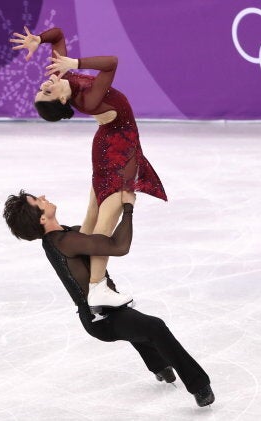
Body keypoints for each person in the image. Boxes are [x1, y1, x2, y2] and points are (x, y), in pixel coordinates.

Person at [2, 190, 215, 407]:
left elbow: (92, 222)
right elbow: (118, 246)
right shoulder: (64, 241)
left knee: (135, 324)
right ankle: (199, 386)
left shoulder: (63, 236)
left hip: (104, 312)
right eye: (38, 201)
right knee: (155, 327)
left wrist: (98, 190)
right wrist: (128, 209)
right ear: (42, 218)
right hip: (101, 319)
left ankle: (160, 367)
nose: (43, 196)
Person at [10, 26, 167, 312]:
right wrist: (76, 64)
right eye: (46, 91)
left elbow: (57, 34)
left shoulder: (61, 78)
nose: (45, 84)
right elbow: (112, 63)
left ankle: (83, 272)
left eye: (42, 88)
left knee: (92, 217)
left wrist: (38, 40)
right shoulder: (89, 99)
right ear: (59, 99)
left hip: (108, 144)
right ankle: (97, 289)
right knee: (104, 224)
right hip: (118, 151)